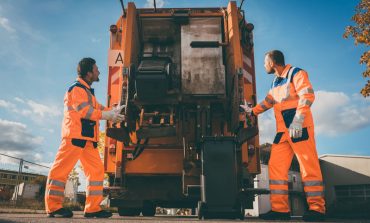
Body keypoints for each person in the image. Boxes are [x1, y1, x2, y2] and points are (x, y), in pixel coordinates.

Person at [240, 50, 325, 221]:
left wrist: (298, 120)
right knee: (275, 167)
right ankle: (280, 210)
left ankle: (317, 209)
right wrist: (252, 111)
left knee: (308, 167)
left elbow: (307, 95)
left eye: (265, 62)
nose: (264, 65)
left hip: (299, 129)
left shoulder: (296, 73)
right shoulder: (275, 83)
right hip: (283, 133)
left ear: (272, 62)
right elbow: (269, 102)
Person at [45, 58, 125, 218]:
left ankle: (92, 208)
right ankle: (53, 207)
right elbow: (85, 111)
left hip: (87, 140)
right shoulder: (76, 89)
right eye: (96, 69)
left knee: (96, 171)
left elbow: (100, 108)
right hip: (74, 137)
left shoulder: (87, 92)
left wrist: (114, 111)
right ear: (89, 73)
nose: (99, 72)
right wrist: (107, 115)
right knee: (60, 171)